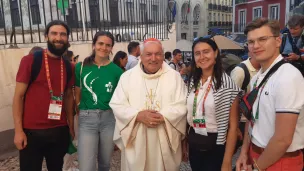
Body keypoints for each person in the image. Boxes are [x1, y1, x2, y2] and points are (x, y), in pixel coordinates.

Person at [236, 18, 304, 171]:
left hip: (281, 161)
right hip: (256, 154)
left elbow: (283, 139)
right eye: (251, 42)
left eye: (262, 39)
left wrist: (257, 167)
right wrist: (244, 153)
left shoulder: (288, 76)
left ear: (278, 41)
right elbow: (251, 120)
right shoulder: (257, 78)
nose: (256, 46)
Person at [109, 38, 187, 171]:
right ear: (141, 56)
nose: (153, 58)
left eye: (158, 54)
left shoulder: (174, 77)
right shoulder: (127, 77)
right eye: (149, 54)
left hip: (164, 138)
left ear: (163, 56)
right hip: (137, 140)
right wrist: (137, 116)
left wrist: (163, 116)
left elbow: (183, 104)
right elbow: (117, 104)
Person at [13, 20, 75, 171]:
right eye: (54, 33)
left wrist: (71, 127)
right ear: (46, 36)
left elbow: (67, 96)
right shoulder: (31, 60)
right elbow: (18, 97)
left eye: (63, 34)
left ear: (67, 38)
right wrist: (18, 131)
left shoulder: (68, 65)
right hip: (32, 132)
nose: (58, 38)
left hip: (59, 130)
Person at [184, 37, 241, 171]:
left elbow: (233, 127)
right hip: (194, 144)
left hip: (215, 147)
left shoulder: (227, 85)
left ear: (215, 53)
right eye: (197, 53)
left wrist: (227, 162)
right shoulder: (193, 81)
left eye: (206, 52)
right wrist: (184, 144)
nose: (202, 56)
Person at [75, 31, 123, 171]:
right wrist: (80, 108)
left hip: (109, 119)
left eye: (108, 45)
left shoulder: (117, 71)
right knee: (86, 165)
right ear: (94, 45)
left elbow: (119, 98)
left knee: (105, 163)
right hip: (87, 119)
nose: (104, 47)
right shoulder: (81, 67)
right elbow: (77, 91)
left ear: (111, 48)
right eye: (100, 43)